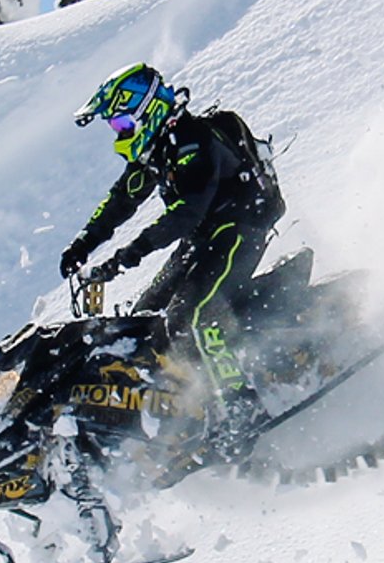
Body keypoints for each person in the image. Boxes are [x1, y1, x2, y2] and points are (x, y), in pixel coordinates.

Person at [60, 64, 285, 457]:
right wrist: (83, 243)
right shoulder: (157, 151)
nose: (120, 134)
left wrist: (124, 257)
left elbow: (186, 212)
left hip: (238, 228)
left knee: (196, 314)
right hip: (205, 238)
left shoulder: (189, 140)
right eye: (116, 127)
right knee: (146, 320)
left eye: (122, 123)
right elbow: (121, 201)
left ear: (146, 111)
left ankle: (240, 405)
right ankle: (170, 410)